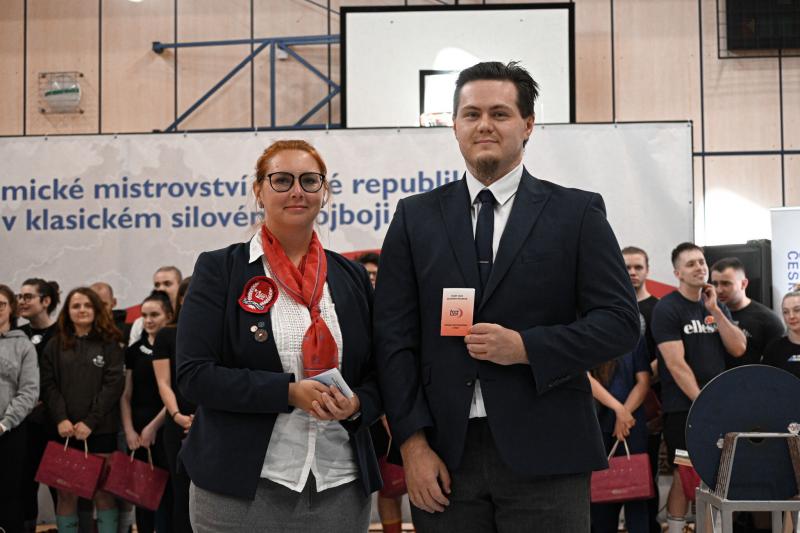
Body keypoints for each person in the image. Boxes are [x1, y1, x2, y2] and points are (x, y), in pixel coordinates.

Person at [374, 61, 640, 532]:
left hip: (549, 452)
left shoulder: (576, 213)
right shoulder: (415, 217)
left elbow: (620, 323)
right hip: (443, 455)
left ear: (528, 125)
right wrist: (412, 446)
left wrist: (526, 347)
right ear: (454, 126)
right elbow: (393, 339)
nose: (484, 125)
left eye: (499, 113)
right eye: (471, 114)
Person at [176, 140, 382, 532]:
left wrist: (357, 403)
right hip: (241, 487)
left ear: (324, 191)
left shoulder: (352, 277)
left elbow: (381, 372)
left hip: (339, 482)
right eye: (282, 180)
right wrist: (286, 392)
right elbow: (194, 375)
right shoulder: (220, 270)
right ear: (258, 191)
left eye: (309, 181)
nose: (297, 191)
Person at [651, 243, 746, 533]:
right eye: (690, 264)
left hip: (718, 406)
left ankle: (713, 528)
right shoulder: (667, 308)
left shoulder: (715, 305)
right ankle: (676, 528)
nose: (699, 267)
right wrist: (703, 402)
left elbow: (739, 348)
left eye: (702, 262)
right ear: (677, 273)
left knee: (718, 472)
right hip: (683, 408)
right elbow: (675, 364)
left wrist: (715, 309)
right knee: (684, 472)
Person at [40, 287, 125, 533]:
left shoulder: (110, 344)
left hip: (100, 430)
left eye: (88, 305)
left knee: (103, 493)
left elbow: (113, 386)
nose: (82, 310)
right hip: (64, 431)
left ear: (97, 309)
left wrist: (90, 421)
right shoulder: (54, 345)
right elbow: (48, 385)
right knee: (66, 494)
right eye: (76, 306)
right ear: (67, 311)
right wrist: (61, 419)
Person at [358, 253, 406, 533]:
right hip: (369, 408)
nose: (371, 281)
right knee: (385, 484)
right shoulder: (352, 310)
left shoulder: (398, 306)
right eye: (366, 276)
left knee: (414, 480)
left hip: (400, 401)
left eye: (375, 275)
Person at [120, 291, 172, 533]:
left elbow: (173, 393)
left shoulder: (174, 348)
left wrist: (154, 427)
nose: (149, 320)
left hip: (164, 427)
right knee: (142, 495)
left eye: (155, 315)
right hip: (138, 434)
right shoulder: (133, 351)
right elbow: (126, 395)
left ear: (168, 316)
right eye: (144, 315)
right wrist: (130, 430)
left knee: (166, 494)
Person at [588, 338, 651, 533]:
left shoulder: (635, 337)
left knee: (637, 494)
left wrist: (624, 413)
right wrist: (619, 410)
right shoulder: (589, 335)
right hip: (596, 424)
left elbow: (644, 381)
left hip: (631, 425)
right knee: (600, 497)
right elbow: (585, 377)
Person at [621, 245, 662, 533]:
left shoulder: (659, 309)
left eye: (638, 267)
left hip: (650, 404)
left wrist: (642, 379)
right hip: (608, 405)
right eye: (627, 267)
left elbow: (666, 353)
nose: (633, 273)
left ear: (648, 270)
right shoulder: (611, 307)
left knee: (646, 474)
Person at [17, 278, 61, 533]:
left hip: (55, 423)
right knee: (24, 485)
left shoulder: (62, 334)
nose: (22, 301)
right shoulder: (16, 334)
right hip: (23, 423)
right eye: (19, 297)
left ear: (45, 301)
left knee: (60, 485)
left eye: (28, 297)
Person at [153, 276, 194, 533]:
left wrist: (204, 416)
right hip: (177, 422)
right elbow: (164, 383)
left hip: (211, 421)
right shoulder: (167, 334)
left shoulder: (219, 331)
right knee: (182, 492)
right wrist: (177, 415)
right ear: (180, 300)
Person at [0, 284, 40, 533]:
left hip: (9, 432)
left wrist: (4, 423)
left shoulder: (23, 345)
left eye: (1, 304)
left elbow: (29, 391)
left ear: (11, 309)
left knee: (8, 494)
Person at [710, 257, 785, 367]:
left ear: (743, 284)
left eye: (726, 283)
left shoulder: (768, 320)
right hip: (714, 377)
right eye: (715, 284)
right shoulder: (707, 313)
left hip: (752, 377)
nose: (719, 290)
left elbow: (777, 364)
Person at [128, 267, 183, 346]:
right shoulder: (140, 324)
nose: (161, 289)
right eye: (157, 285)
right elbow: (132, 351)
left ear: (180, 286)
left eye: (167, 284)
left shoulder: (188, 319)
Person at [763, 290, 800, 379]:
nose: (791, 316)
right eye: (785, 312)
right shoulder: (774, 348)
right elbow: (765, 381)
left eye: (797, 310)